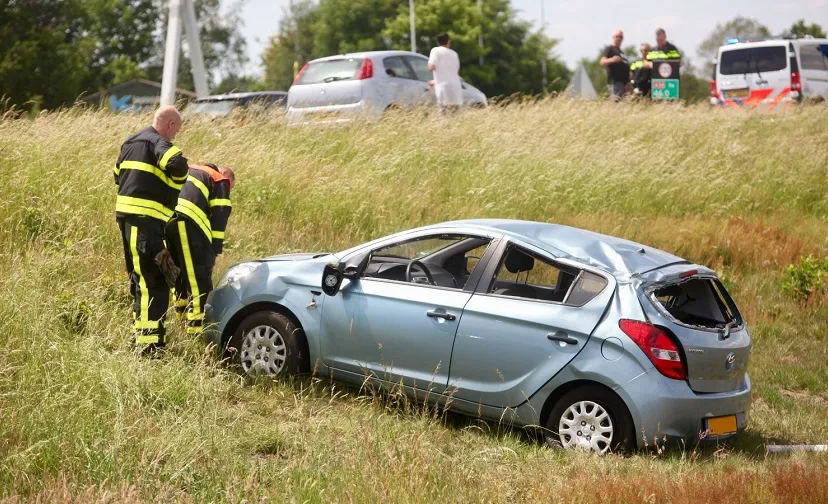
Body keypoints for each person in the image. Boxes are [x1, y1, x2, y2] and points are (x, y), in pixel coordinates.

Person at [114, 106, 189, 353]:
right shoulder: (158, 142)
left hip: (129, 221)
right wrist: (175, 181)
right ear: (169, 125)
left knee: (141, 280)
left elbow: (117, 175)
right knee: (151, 281)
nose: (175, 134)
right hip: (145, 223)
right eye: (176, 129)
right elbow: (176, 164)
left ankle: (145, 341)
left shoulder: (129, 142)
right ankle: (149, 348)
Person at [166, 163, 234, 337]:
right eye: (230, 187)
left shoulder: (189, 169)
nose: (228, 189)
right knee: (199, 280)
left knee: (179, 276)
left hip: (168, 221)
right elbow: (220, 215)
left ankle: (181, 320)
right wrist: (214, 250)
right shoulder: (219, 178)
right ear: (225, 173)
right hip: (189, 225)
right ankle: (195, 332)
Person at [427, 32, 463, 115]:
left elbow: (431, 67)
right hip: (456, 88)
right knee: (455, 116)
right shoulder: (454, 54)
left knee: (444, 116)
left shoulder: (435, 50)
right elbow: (453, 72)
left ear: (437, 43)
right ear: (448, 42)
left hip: (443, 89)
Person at [600, 30, 630, 101]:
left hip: (623, 84)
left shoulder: (621, 52)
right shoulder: (610, 48)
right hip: (615, 83)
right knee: (616, 104)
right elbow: (602, 62)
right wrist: (612, 60)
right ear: (613, 37)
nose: (619, 38)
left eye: (621, 37)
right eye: (617, 36)